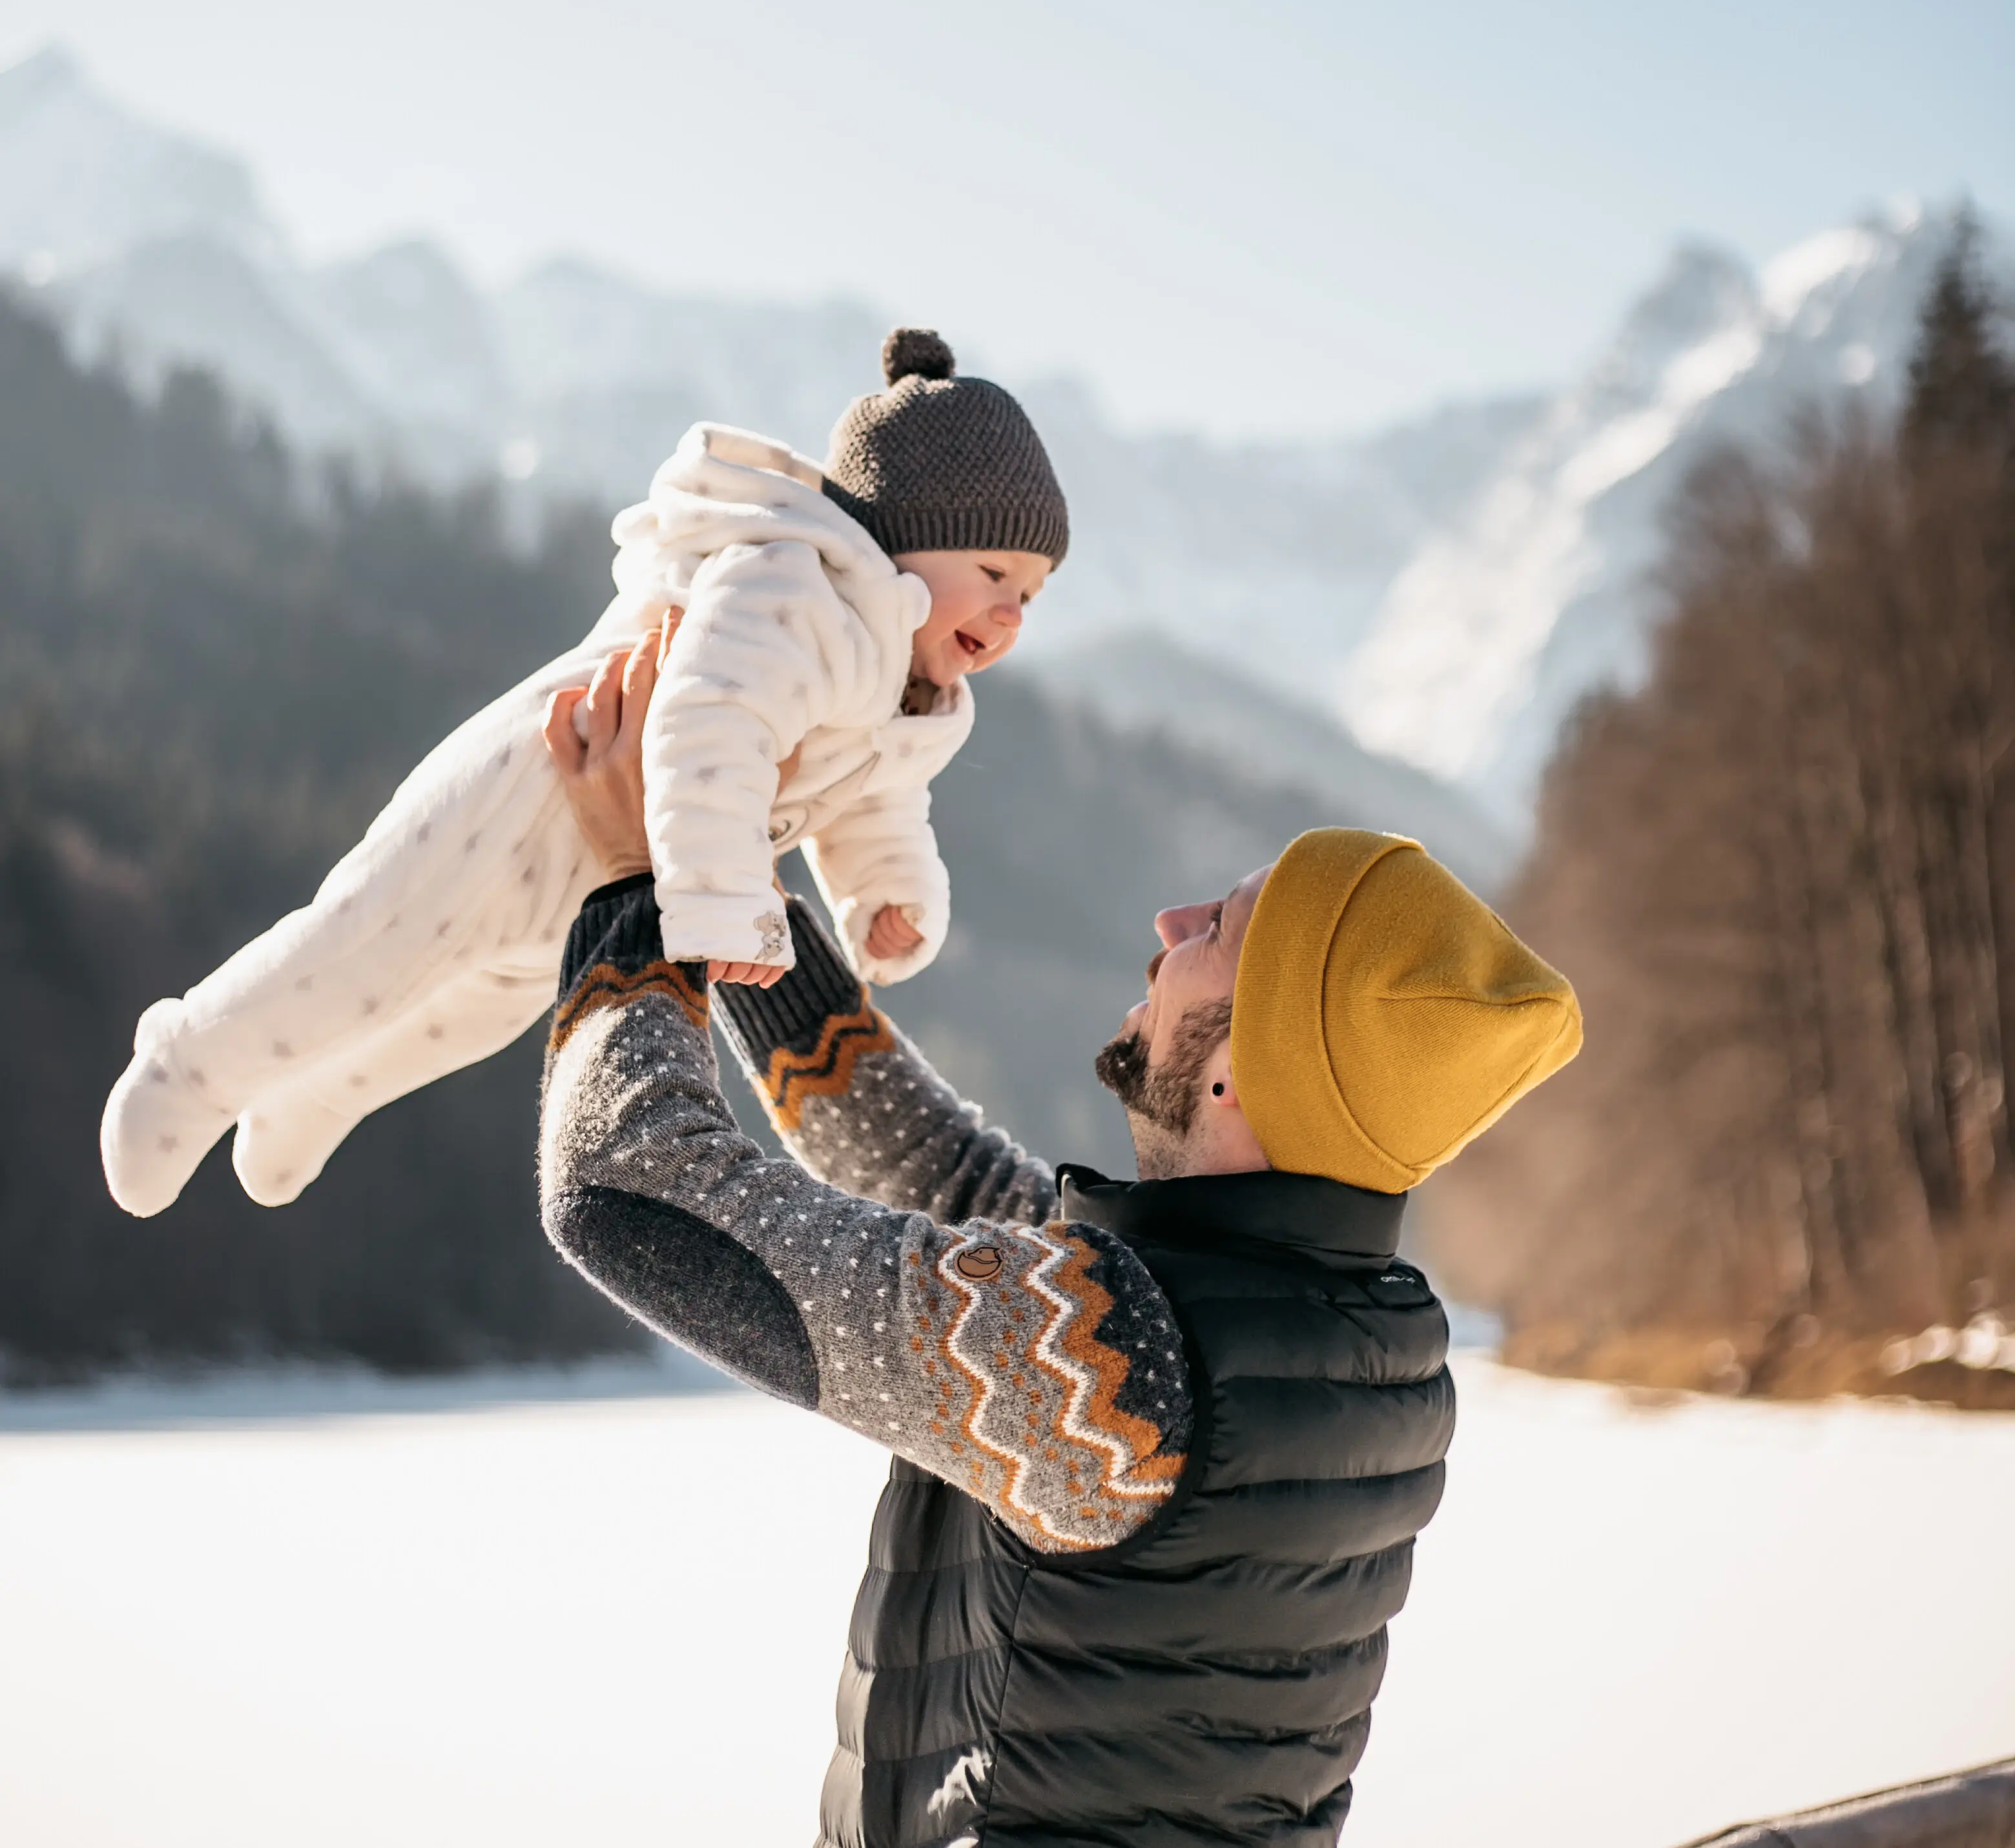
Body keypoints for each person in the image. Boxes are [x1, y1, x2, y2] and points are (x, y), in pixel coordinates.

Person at [539, 625, 1582, 1848]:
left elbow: (630, 1189)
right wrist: (733, 899)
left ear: (1249, 1068)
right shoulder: (1349, 1330)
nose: (1169, 918)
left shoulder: (1110, 1367)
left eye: (1218, 931)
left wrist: (624, 895)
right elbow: (951, 1182)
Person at [101, 327, 1066, 1217]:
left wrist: (886, 899)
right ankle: (187, 1062)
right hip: (523, 798)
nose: (1013, 612)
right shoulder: (793, 587)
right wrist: (727, 901)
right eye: (994, 574)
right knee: (365, 947)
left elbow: (879, 804)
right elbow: (708, 723)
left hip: (599, 875)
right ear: (905, 535)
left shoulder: (911, 696)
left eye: (1030, 593)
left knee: (466, 1017)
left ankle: (311, 1096)